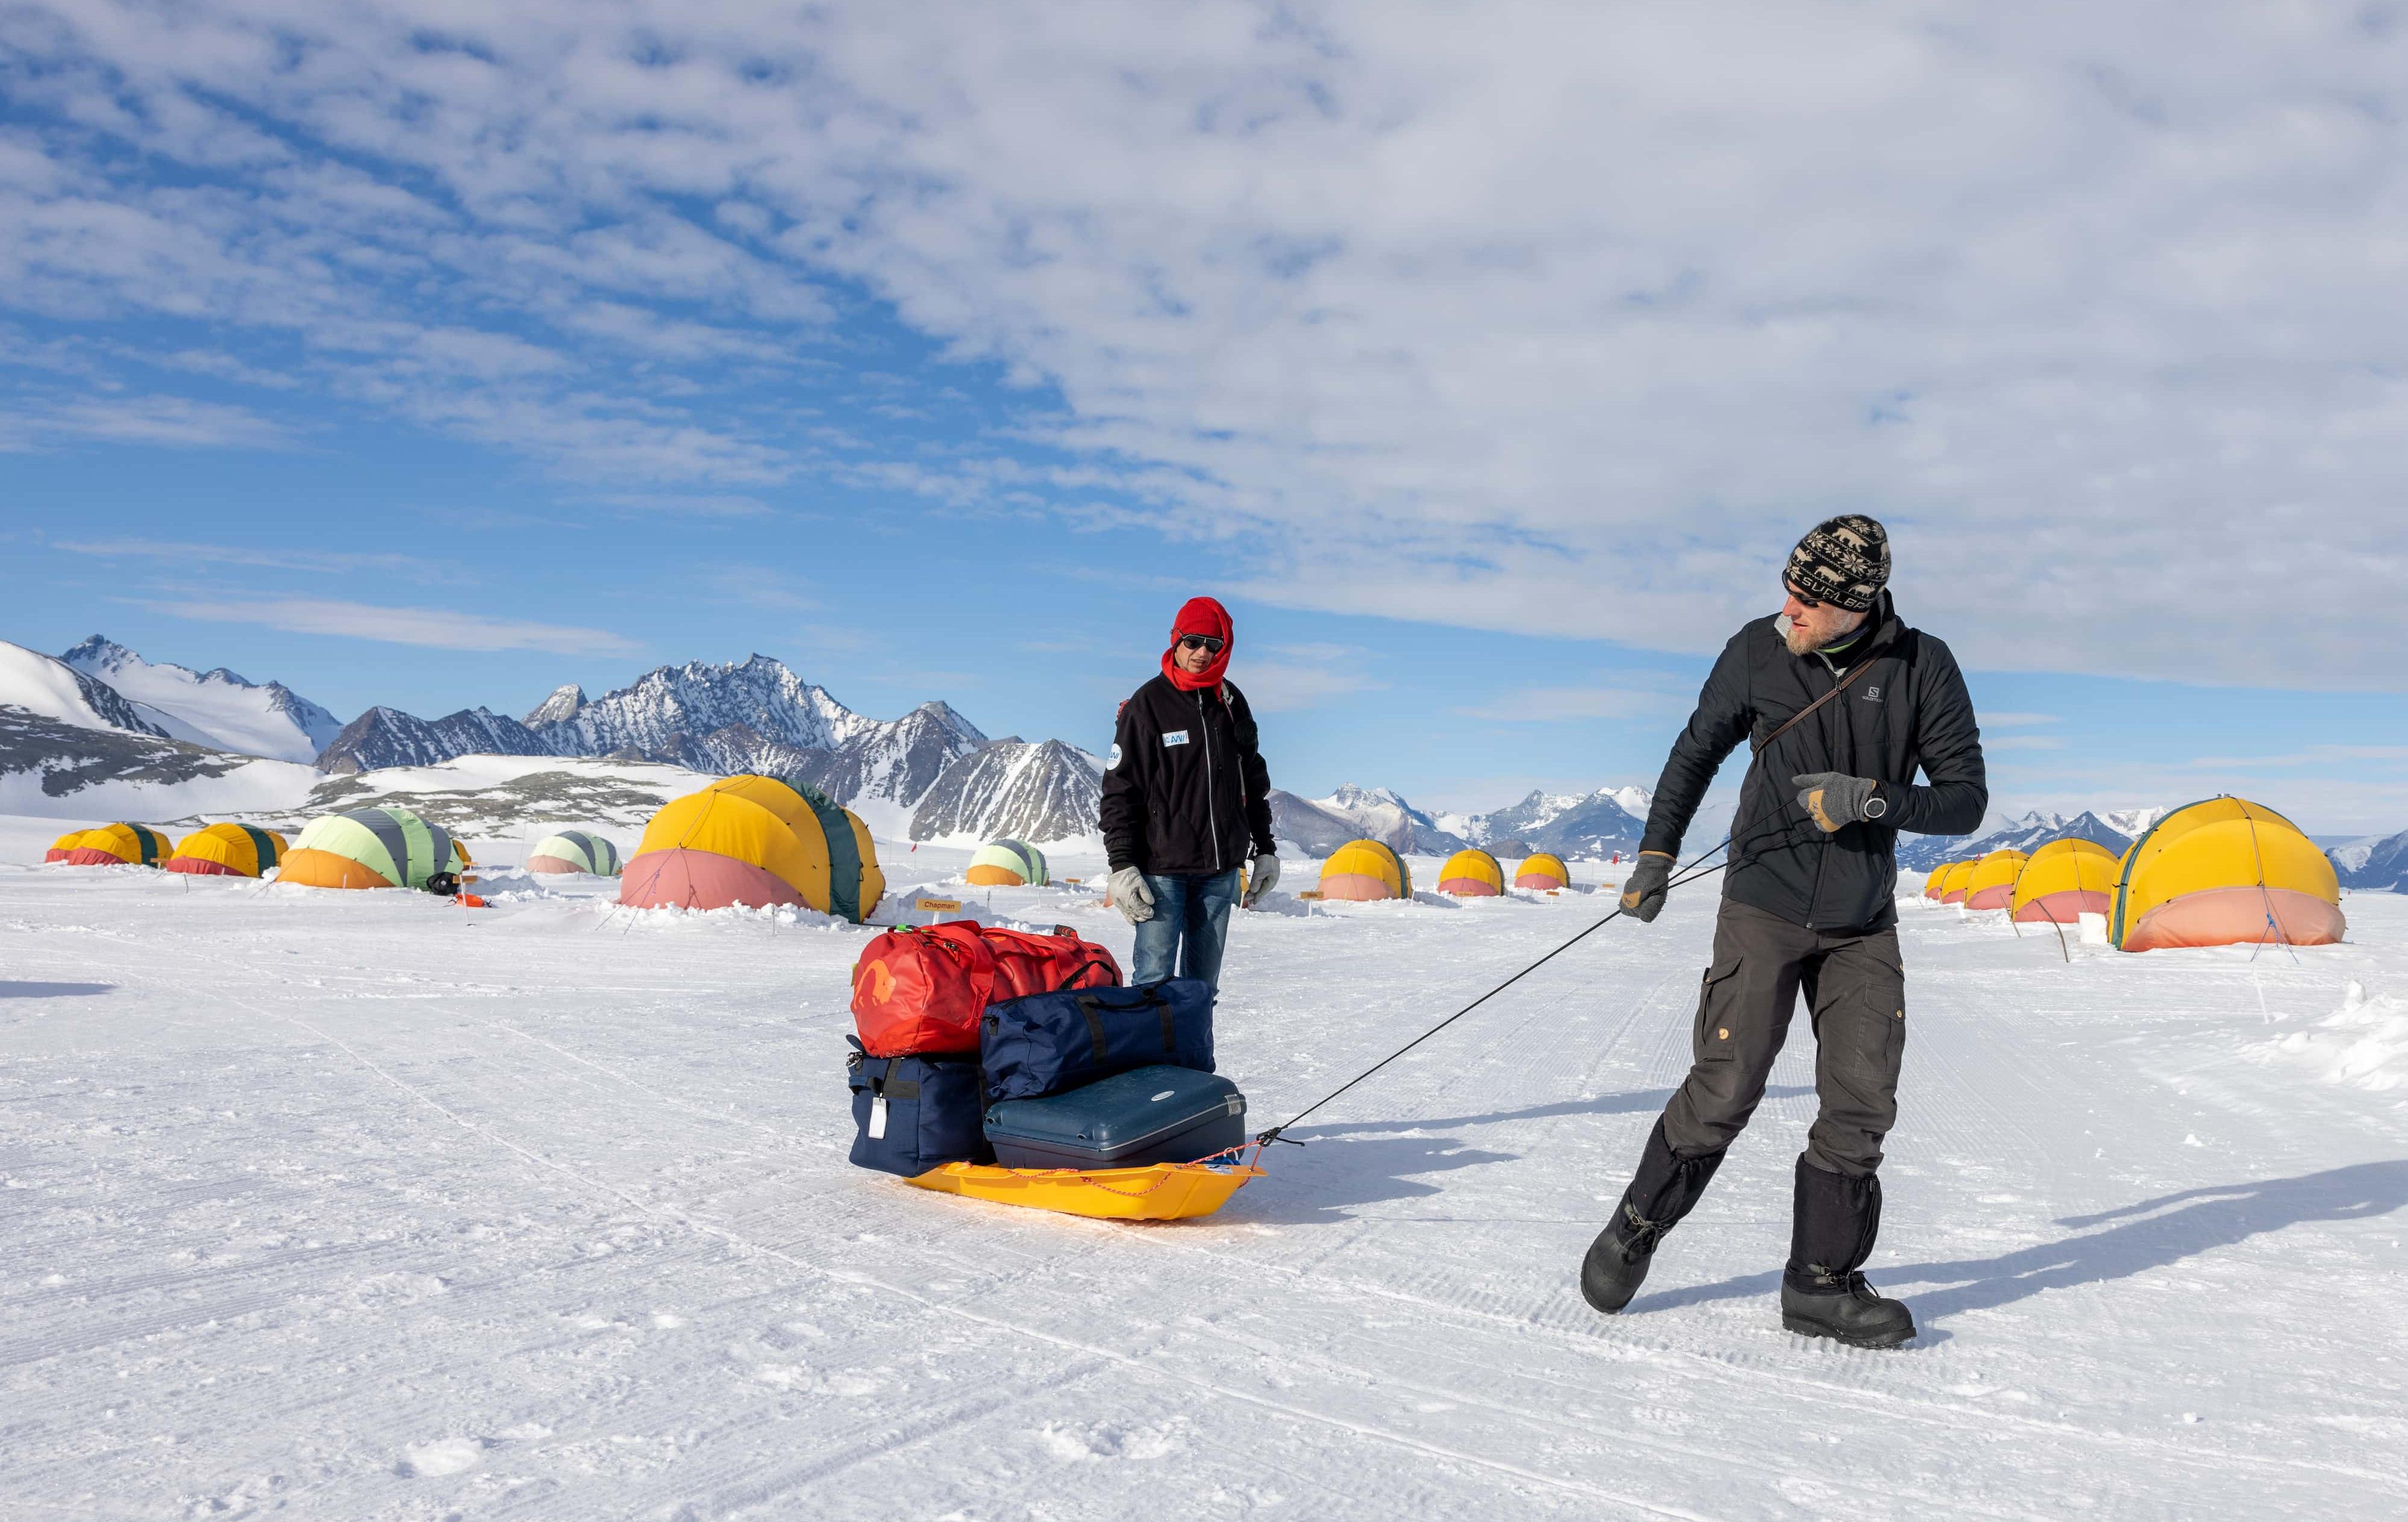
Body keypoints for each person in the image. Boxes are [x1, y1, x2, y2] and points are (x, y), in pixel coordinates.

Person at [1582, 516, 1986, 1347]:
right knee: (1726, 1086)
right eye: (1787, 589)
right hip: (1761, 906)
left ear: (1857, 605)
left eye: (1807, 599)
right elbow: (1694, 752)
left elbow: (1964, 800)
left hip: (1861, 924)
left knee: (1862, 1102)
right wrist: (1655, 855)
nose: (1788, 609)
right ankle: (1635, 1225)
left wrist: (1869, 797)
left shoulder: (1924, 665)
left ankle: (1818, 1285)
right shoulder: (1754, 651)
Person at [1098, 597, 1281, 993]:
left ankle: (1194, 1039)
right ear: (1175, 640)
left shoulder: (1230, 702)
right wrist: (1122, 865)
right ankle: (1150, 1038)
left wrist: (1265, 848)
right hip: (1162, 872)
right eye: (1193, 642)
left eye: (1213, 645)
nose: (1202, 653)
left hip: (1219, 874)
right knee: (1153, 986)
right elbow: (1119, 790)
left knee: (1202, 989)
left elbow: (1252, 779)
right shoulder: (1147, 705)